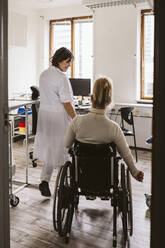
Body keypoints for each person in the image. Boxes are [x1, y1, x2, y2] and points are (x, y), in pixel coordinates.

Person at [64, 77, 144, 182]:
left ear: (91, 98)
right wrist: (135, 172)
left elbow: (66, 145)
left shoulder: (77, 121)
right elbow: (125, 153)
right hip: (105, 179)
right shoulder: (114, 128)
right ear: (109, 101)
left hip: (81, 177)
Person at [33, 47, 76, 197]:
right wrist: (76, 120)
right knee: (64, 149)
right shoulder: (61, 78)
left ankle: (44, 181)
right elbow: (66, 103)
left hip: (45, 117)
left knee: (51, 149)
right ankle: (65, 186)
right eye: (67, 61)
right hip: (58, 117)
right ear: (59, 59)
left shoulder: (44, 74)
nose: (69, 65)